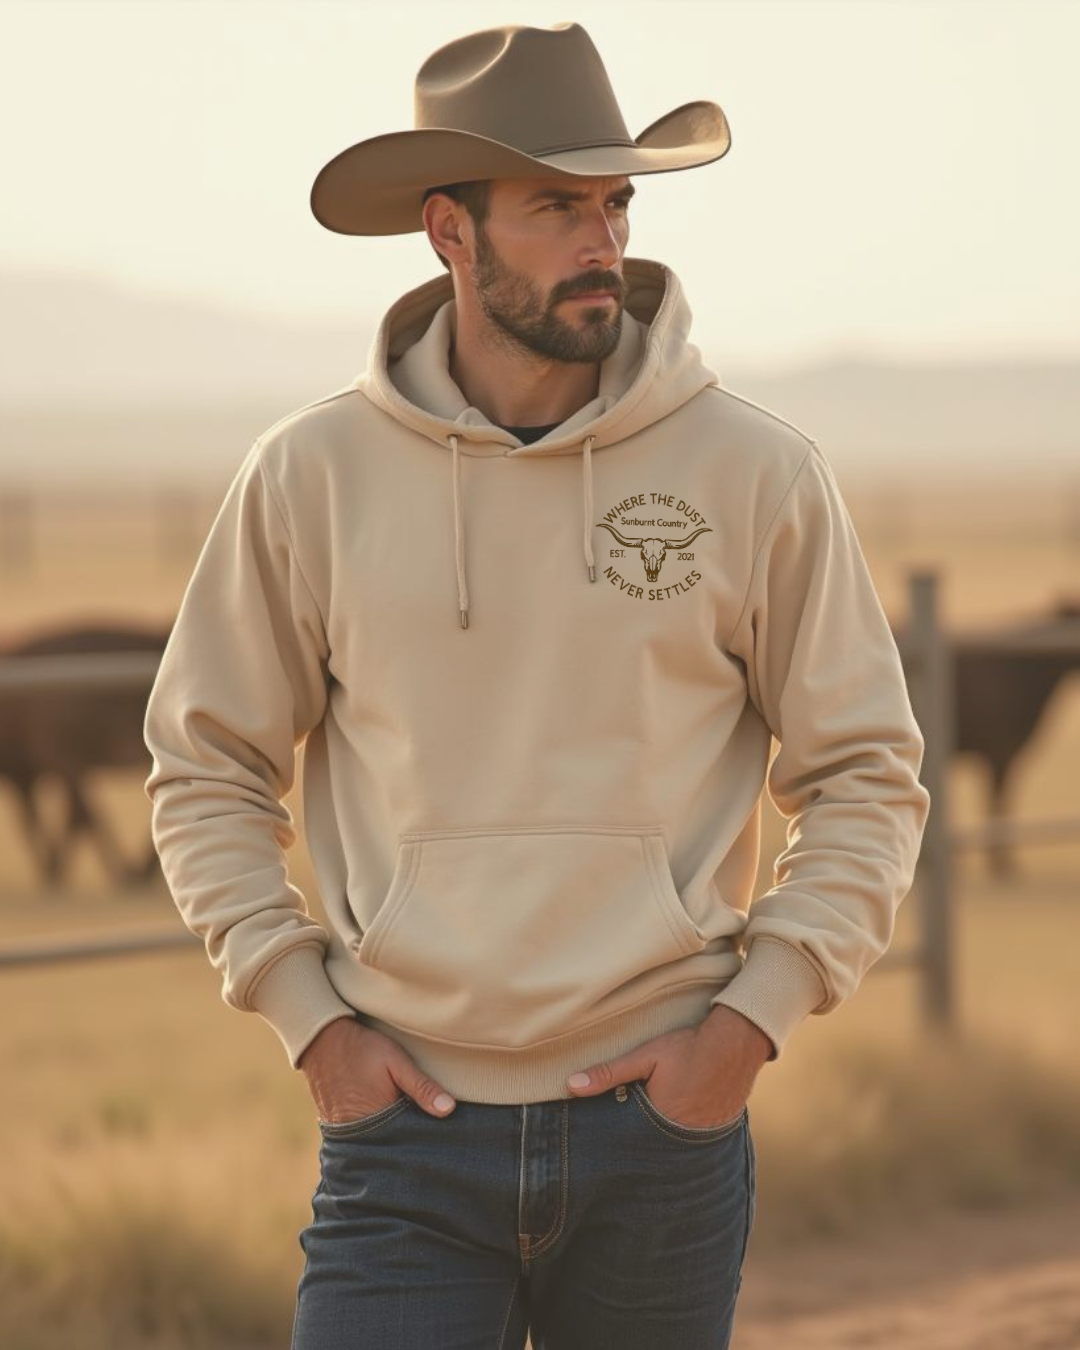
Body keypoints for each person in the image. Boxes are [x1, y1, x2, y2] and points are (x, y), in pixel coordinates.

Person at [142, 21, 930, 1350]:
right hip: (403, 1142)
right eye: (557, 206)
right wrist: (309, 1019)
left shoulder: (755, 472)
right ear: (450, 232)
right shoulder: (309, 477)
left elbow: (866, 769)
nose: (601, 241)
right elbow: (204, 763)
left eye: (614, 203)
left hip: (662, 1136)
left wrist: (747, 1025)